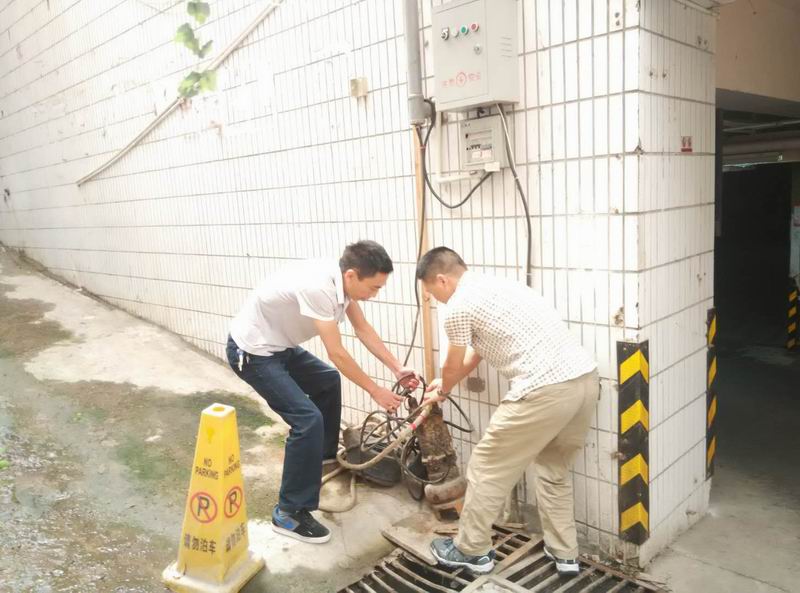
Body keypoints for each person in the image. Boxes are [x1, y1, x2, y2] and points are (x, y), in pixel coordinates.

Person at [417, 247, 598, 576]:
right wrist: (446, 384)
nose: (434, 299)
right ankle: (565, 554)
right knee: (553, 468)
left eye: (431, 292)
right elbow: (476, 353)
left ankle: (471, 550)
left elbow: (452, 363)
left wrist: (443, 388)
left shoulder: (458, 305)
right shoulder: (501, 286)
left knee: (486, 467)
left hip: (542, 390)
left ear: (442, 280)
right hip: (584, 382)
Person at [226, 240, 418, 544]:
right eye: (374, 287)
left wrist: (397, 368)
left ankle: (323, 460)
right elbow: (337, 353)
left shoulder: (342, 281)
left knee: (327, 381)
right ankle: (288, 513)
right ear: (352, 275)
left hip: (280, 347)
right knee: (307, 420)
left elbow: (363, 330)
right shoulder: (319, 287)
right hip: (253, 352)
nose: (375, 294)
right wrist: (375, 390)